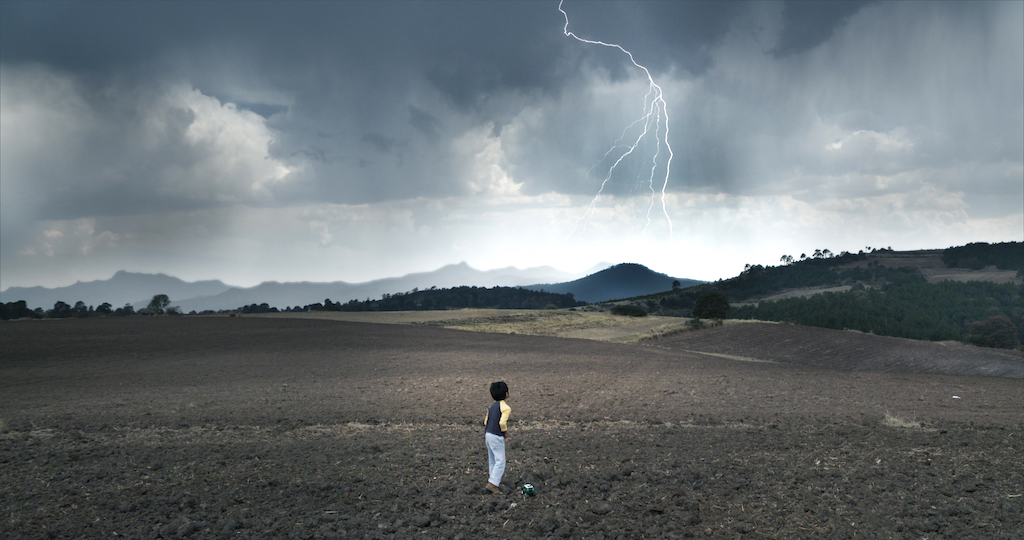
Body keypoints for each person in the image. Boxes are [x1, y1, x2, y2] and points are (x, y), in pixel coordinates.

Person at [484, 381, 511, 495]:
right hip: (496, 435)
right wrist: (504, 431)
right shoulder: (506, 408)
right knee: (500, 461)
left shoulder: (491, 407)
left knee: (493, 460)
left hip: (488, 434)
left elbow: (486, 421)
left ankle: (494, 480)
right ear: (506, 394)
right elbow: (502, 422)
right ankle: (493, 484)